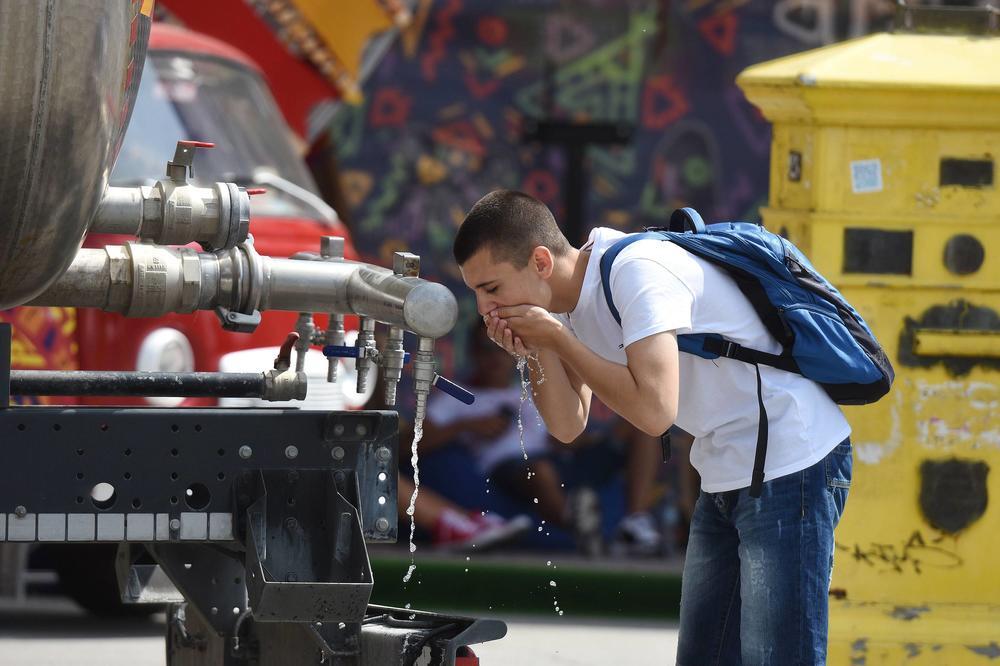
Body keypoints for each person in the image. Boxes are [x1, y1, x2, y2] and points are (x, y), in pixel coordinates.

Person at [452, 189, 852, 664]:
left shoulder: (634, 271)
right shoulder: (563, 310)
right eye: (476, 292)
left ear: (540, 261)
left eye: (492, 288)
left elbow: (655, 410)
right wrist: (537, 347)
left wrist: (558, 338)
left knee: (780, 656)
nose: (483, 309)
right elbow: (566, 425)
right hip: (726, 469)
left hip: (792, 459)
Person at [418, 323, 601, 553]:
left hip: (557, 461)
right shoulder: (456, 396)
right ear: (472, 352)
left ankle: (629, 522)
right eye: (487, 347)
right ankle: (576, 523)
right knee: (541, 471)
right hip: (505, 469)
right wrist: (464, 427)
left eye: (501, 347)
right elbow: (408, 447)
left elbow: (567, 437)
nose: (495, 356)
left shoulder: (535, 390)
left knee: (632, 434)